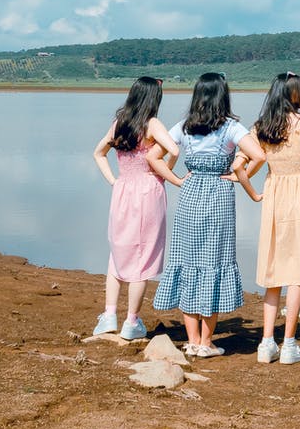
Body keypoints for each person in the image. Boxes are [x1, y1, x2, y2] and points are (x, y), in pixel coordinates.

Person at [148, 72, 264, 358]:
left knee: (188, 261)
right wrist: (240, 177)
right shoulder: (231, 127)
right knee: (214, 259)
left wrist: (176, 180)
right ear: (223, 95)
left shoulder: (184, 126)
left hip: (190, 195)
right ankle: (206, 342)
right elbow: (260, 155)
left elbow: (153, 157)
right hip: (219, 196)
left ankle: (191, 340)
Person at [232, 72, 300, 365]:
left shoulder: (262, 126)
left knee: (273, 271)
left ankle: (267, 342)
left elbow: (240, 166)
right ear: (292, 94)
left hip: (274, 193)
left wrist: (254, 194)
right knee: (296, 273)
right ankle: (289, 343)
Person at [91, 76, 178, 341]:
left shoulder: (120, 123)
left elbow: (98, 153)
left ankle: (109, 316)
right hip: (147, 191)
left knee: (118, 251)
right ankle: (131, 321)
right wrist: (164, 172)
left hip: (123, 190)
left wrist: (114, 180)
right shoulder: (151, 124)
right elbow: (173, 149)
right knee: (143, 256)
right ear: (154, 98)